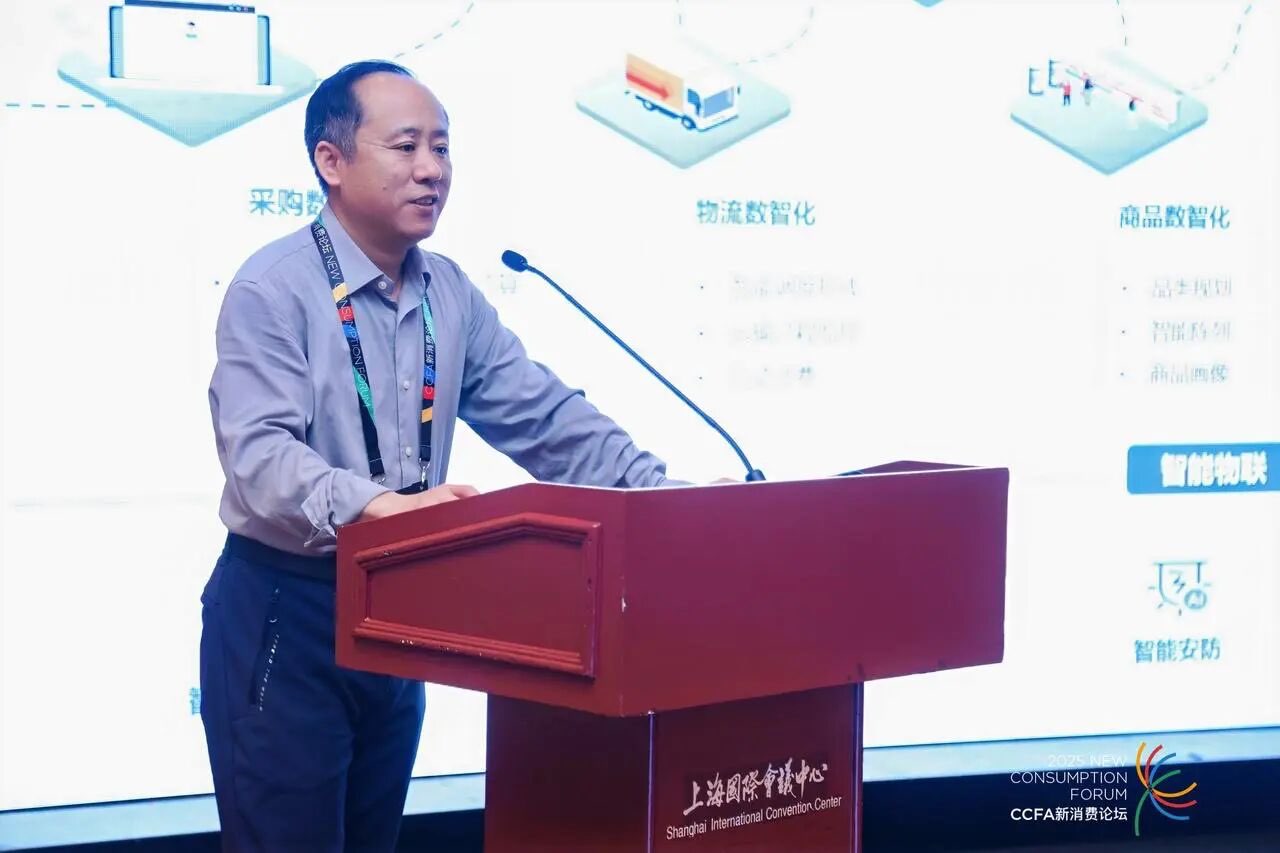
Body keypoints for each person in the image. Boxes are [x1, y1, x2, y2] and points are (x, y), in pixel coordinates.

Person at [200, 59, 676, 852]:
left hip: (397, 610)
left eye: (443, 148)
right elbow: (260, 458)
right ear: (331, 161)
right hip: (288, 609)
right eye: (407, 146)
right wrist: (378, 507)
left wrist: (661, 495)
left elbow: (544, 416)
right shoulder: (272, 289)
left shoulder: (449, 294)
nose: (432, 170)